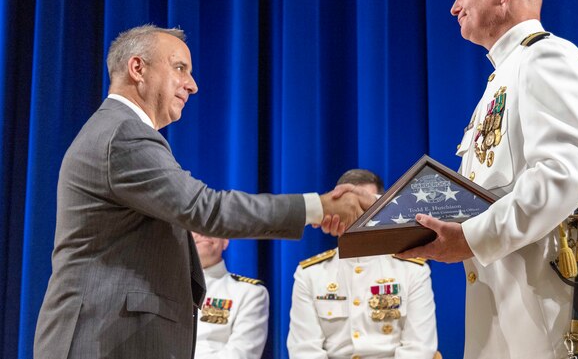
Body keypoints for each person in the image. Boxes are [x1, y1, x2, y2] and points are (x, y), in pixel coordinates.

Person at [34, 24, 372, 359]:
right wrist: (319, 206)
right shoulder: (124, 133)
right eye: (180, 68)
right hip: (103, 340)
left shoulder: (121, 131)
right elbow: (205, 210)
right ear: (138, 68)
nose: (192, 85)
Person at [398, 0, 578, 359]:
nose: (454, 7)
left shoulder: (547, 58)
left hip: (564, 316)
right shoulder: (502, 79)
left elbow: (563, 173)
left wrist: (472, 239)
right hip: (518, 324)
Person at [288, 169, 438, 358]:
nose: (357, 217)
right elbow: (304, 351)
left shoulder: (413, 270)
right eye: (349, 207)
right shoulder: (309, 274)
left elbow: (419, 349)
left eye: (363, 207)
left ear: (381, 212)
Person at [193, 232, 268, 359]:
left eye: (212, 226)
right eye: (195, 226)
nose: (203, 232)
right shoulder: (164, 288)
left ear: (225, 240)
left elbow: (241, 354)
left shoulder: (250, 292)